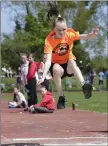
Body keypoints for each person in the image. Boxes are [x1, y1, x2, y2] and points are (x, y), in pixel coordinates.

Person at [37, 15, 99, 109]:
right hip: (58, 66)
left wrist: (92, 35)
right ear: (54, 29)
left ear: (67, 27)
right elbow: (48, 61)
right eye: (59, 30)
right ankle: (61, 97)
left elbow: (85, 36)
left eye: (64, 29)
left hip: (69, 65)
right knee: (56, 68)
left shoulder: (69, 33)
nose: (62, 32)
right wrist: (44, 75)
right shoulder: (49, 40)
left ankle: (84, 86)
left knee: (72, 61)